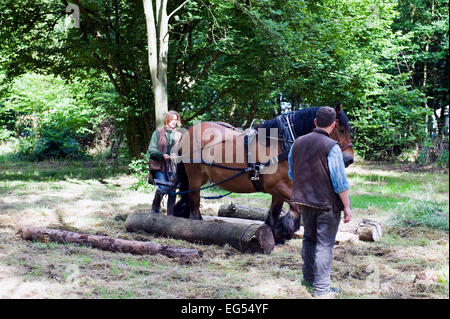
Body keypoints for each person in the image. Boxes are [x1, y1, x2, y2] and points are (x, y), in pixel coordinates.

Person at [288, 106, 352, 298]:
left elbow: (293, 173)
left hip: (306, 203)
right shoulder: (332, 147)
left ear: (315, 122)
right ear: (333, 125)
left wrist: (297, 196)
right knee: (324, 245)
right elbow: (339, 182)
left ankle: (308, 280)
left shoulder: (297, 143)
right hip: (326, 206)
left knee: (308, 240)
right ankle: (322, 290)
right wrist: (347, 207)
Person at [148, 110, 181, 215]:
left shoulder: (179, 135)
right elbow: (151, 149)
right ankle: (155, 210)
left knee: (172, 190)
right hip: (159, 165)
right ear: (167, 120)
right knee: (162, 188)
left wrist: (176, 155)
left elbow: (181, 151)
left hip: (173, 167)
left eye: (175, 120)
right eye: (172, 119)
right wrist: (162, 155)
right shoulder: (158, 133)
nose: (174, 122)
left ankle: (170, 215)